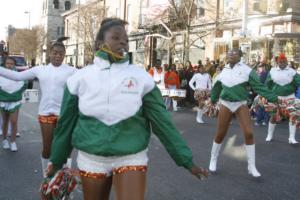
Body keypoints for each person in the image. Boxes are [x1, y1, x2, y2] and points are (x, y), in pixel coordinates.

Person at [46, 18, 208, 200]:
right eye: (115, 37)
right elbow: (65, 125)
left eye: (125, 39)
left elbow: (163, 124)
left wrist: (186, 160)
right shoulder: (79, 79)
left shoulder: (142, 78)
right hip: (92, 159)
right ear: (99, 43)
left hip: (131, 157)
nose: (122, 42)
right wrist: (56, 160)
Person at [0, 37, 77, 176]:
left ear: (64, 55)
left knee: (65, 150)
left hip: (64, 115)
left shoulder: (71, 71)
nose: (57, 56)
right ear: (50, 54)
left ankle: (64, 182)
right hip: (46, 114)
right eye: (55, 52)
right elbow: (16, 76)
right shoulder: (40, 70)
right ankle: (47, 179)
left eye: (61, 53)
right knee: (47, 149)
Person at [208, 49, 277, 177]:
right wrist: (212, 100)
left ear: (240, 56)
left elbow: (258, 86)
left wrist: (274, 98)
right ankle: (213, 159)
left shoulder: (247, 70)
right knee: (220, 134)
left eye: (234, 54)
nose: (230, 55)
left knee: (249, 133)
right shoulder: (223, 70)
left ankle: (251, 166)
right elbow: (217, 87)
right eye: (228, 53)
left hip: (241, 104)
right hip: (226, 104)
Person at [265, 53, 300, 144]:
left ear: (286, 62)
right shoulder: (272, 71)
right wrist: (267, 95)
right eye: (280, 62)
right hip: (276, 98)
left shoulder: (292, 71)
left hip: (290, 97)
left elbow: (298, 81)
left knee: (293, 116)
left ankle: (291, 138)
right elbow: (267, 84)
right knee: (273, 116)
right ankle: (269, 135)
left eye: (284, 62)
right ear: (277, 62)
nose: (282, 63)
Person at [0, 57, 27, 151]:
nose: (9, 65)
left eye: (11, 63)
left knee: (14, 121)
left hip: (14, 102)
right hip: (3, 102)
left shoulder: (18, 75)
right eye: (7, 63)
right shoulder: (1, 74)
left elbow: (24, 84)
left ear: (14, 65)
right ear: (4, 64)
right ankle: (4, 140)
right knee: (5, 121)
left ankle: (13, 141)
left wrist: (16, 94)